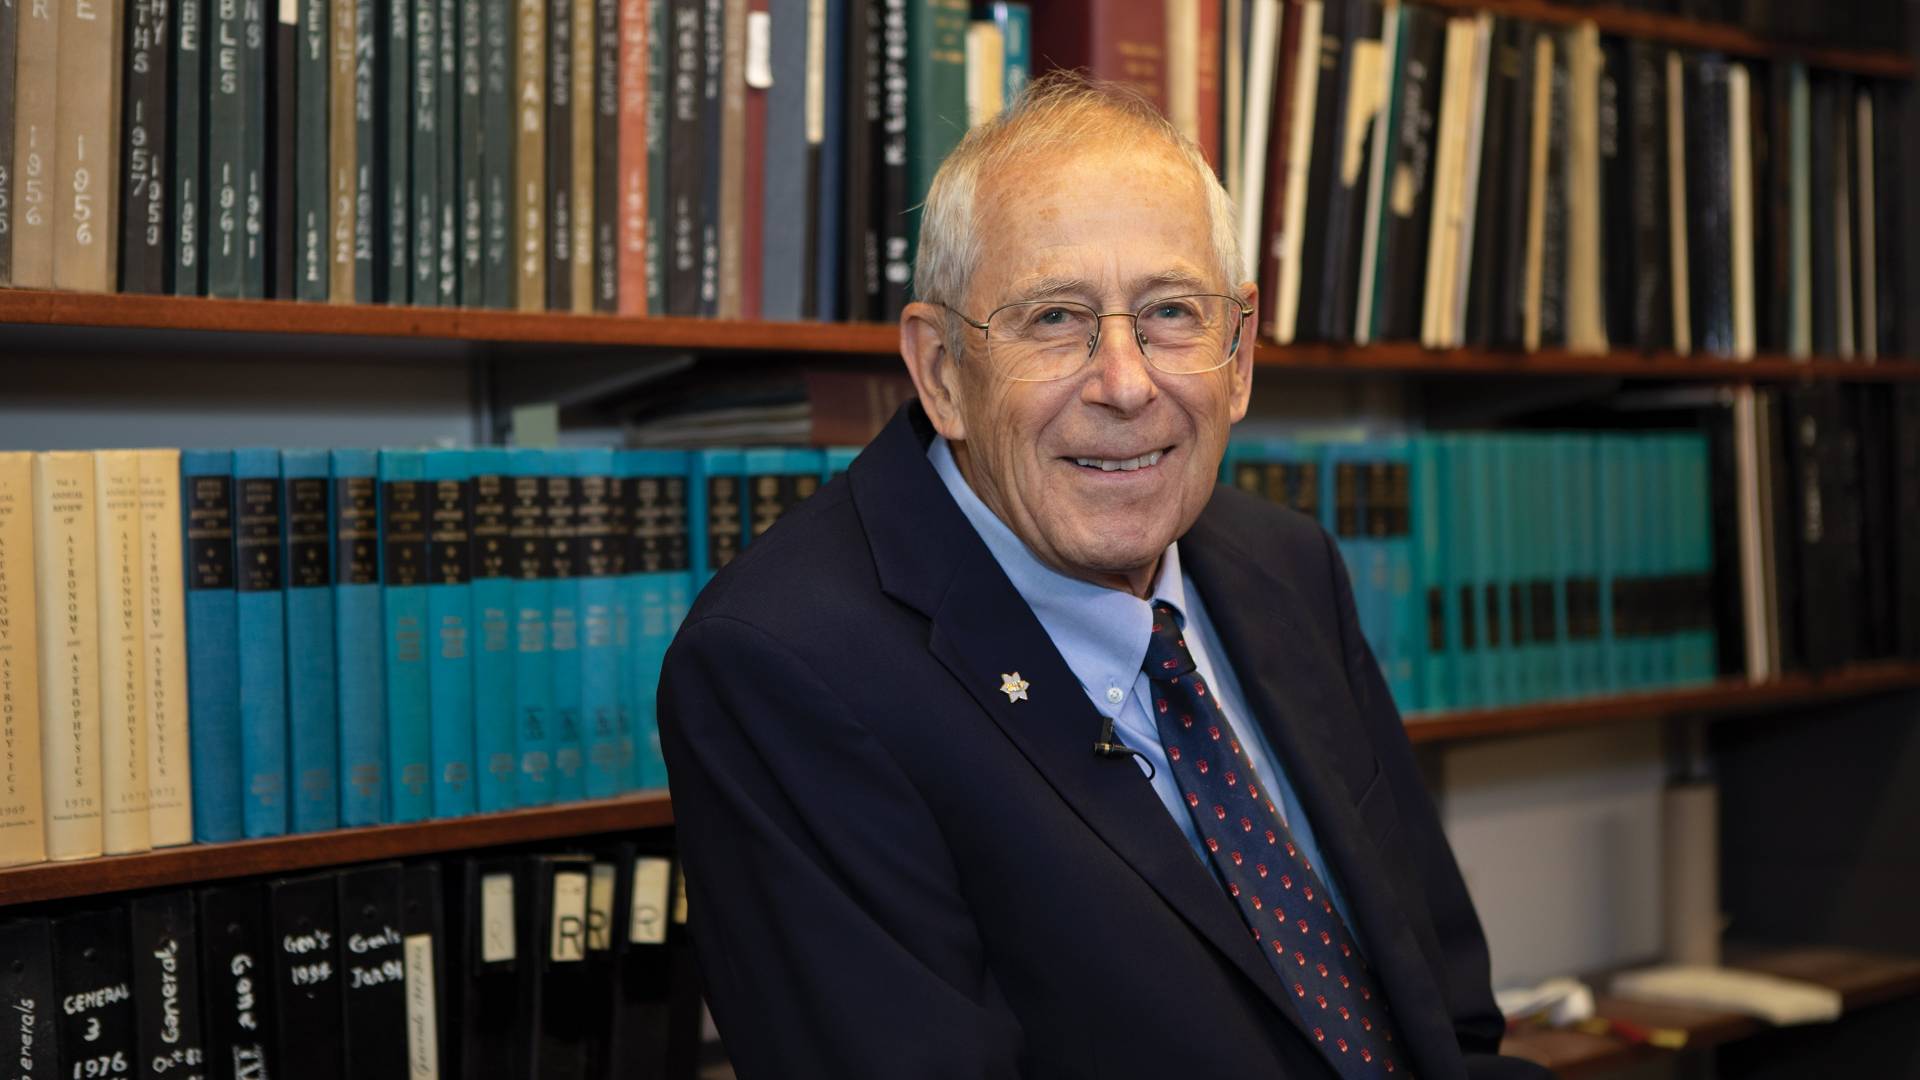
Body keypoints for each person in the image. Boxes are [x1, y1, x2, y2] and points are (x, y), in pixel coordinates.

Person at [659, 72, 1550, 1080]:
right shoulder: (785, 670)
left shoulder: (1287, 567)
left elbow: (1447, 1024)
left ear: (1241, 352)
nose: (1125, 384)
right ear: (941, 369)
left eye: (1171, 312)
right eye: (1052, 319)